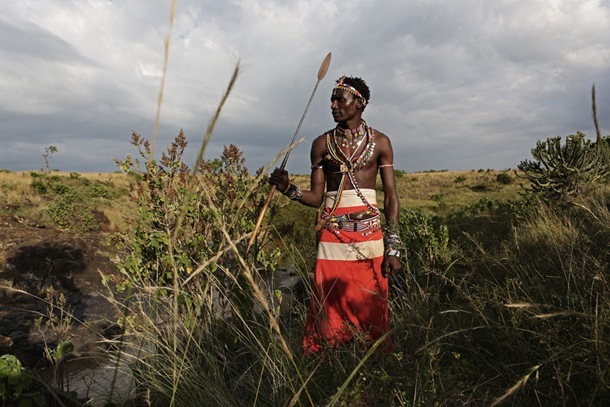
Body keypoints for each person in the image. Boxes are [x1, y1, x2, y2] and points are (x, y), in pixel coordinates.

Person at [270, 75, 402, 354]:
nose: (332, 105)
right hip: (331, 237)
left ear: (359, 103)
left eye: (339, 99)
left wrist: (394, 247)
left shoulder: (380, 143)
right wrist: (288, 189)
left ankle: (375, 364)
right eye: (331, 99)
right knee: (327, 301)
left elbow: (390, 196)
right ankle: (327, 362)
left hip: (370, 237)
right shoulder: (321, 144)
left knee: (371, 300)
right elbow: (317, 198)